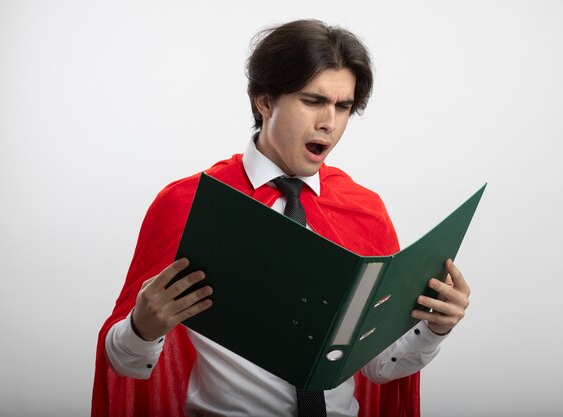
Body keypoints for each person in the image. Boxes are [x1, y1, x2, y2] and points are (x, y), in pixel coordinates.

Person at [92, 19, 471, 417]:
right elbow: (124, 362)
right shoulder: (189, 203)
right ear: (265, 100)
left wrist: (434, 328)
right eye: (313, 101)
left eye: (343, 107)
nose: (329, 122)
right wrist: (142, 327)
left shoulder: (365, 211)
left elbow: (379, 366)